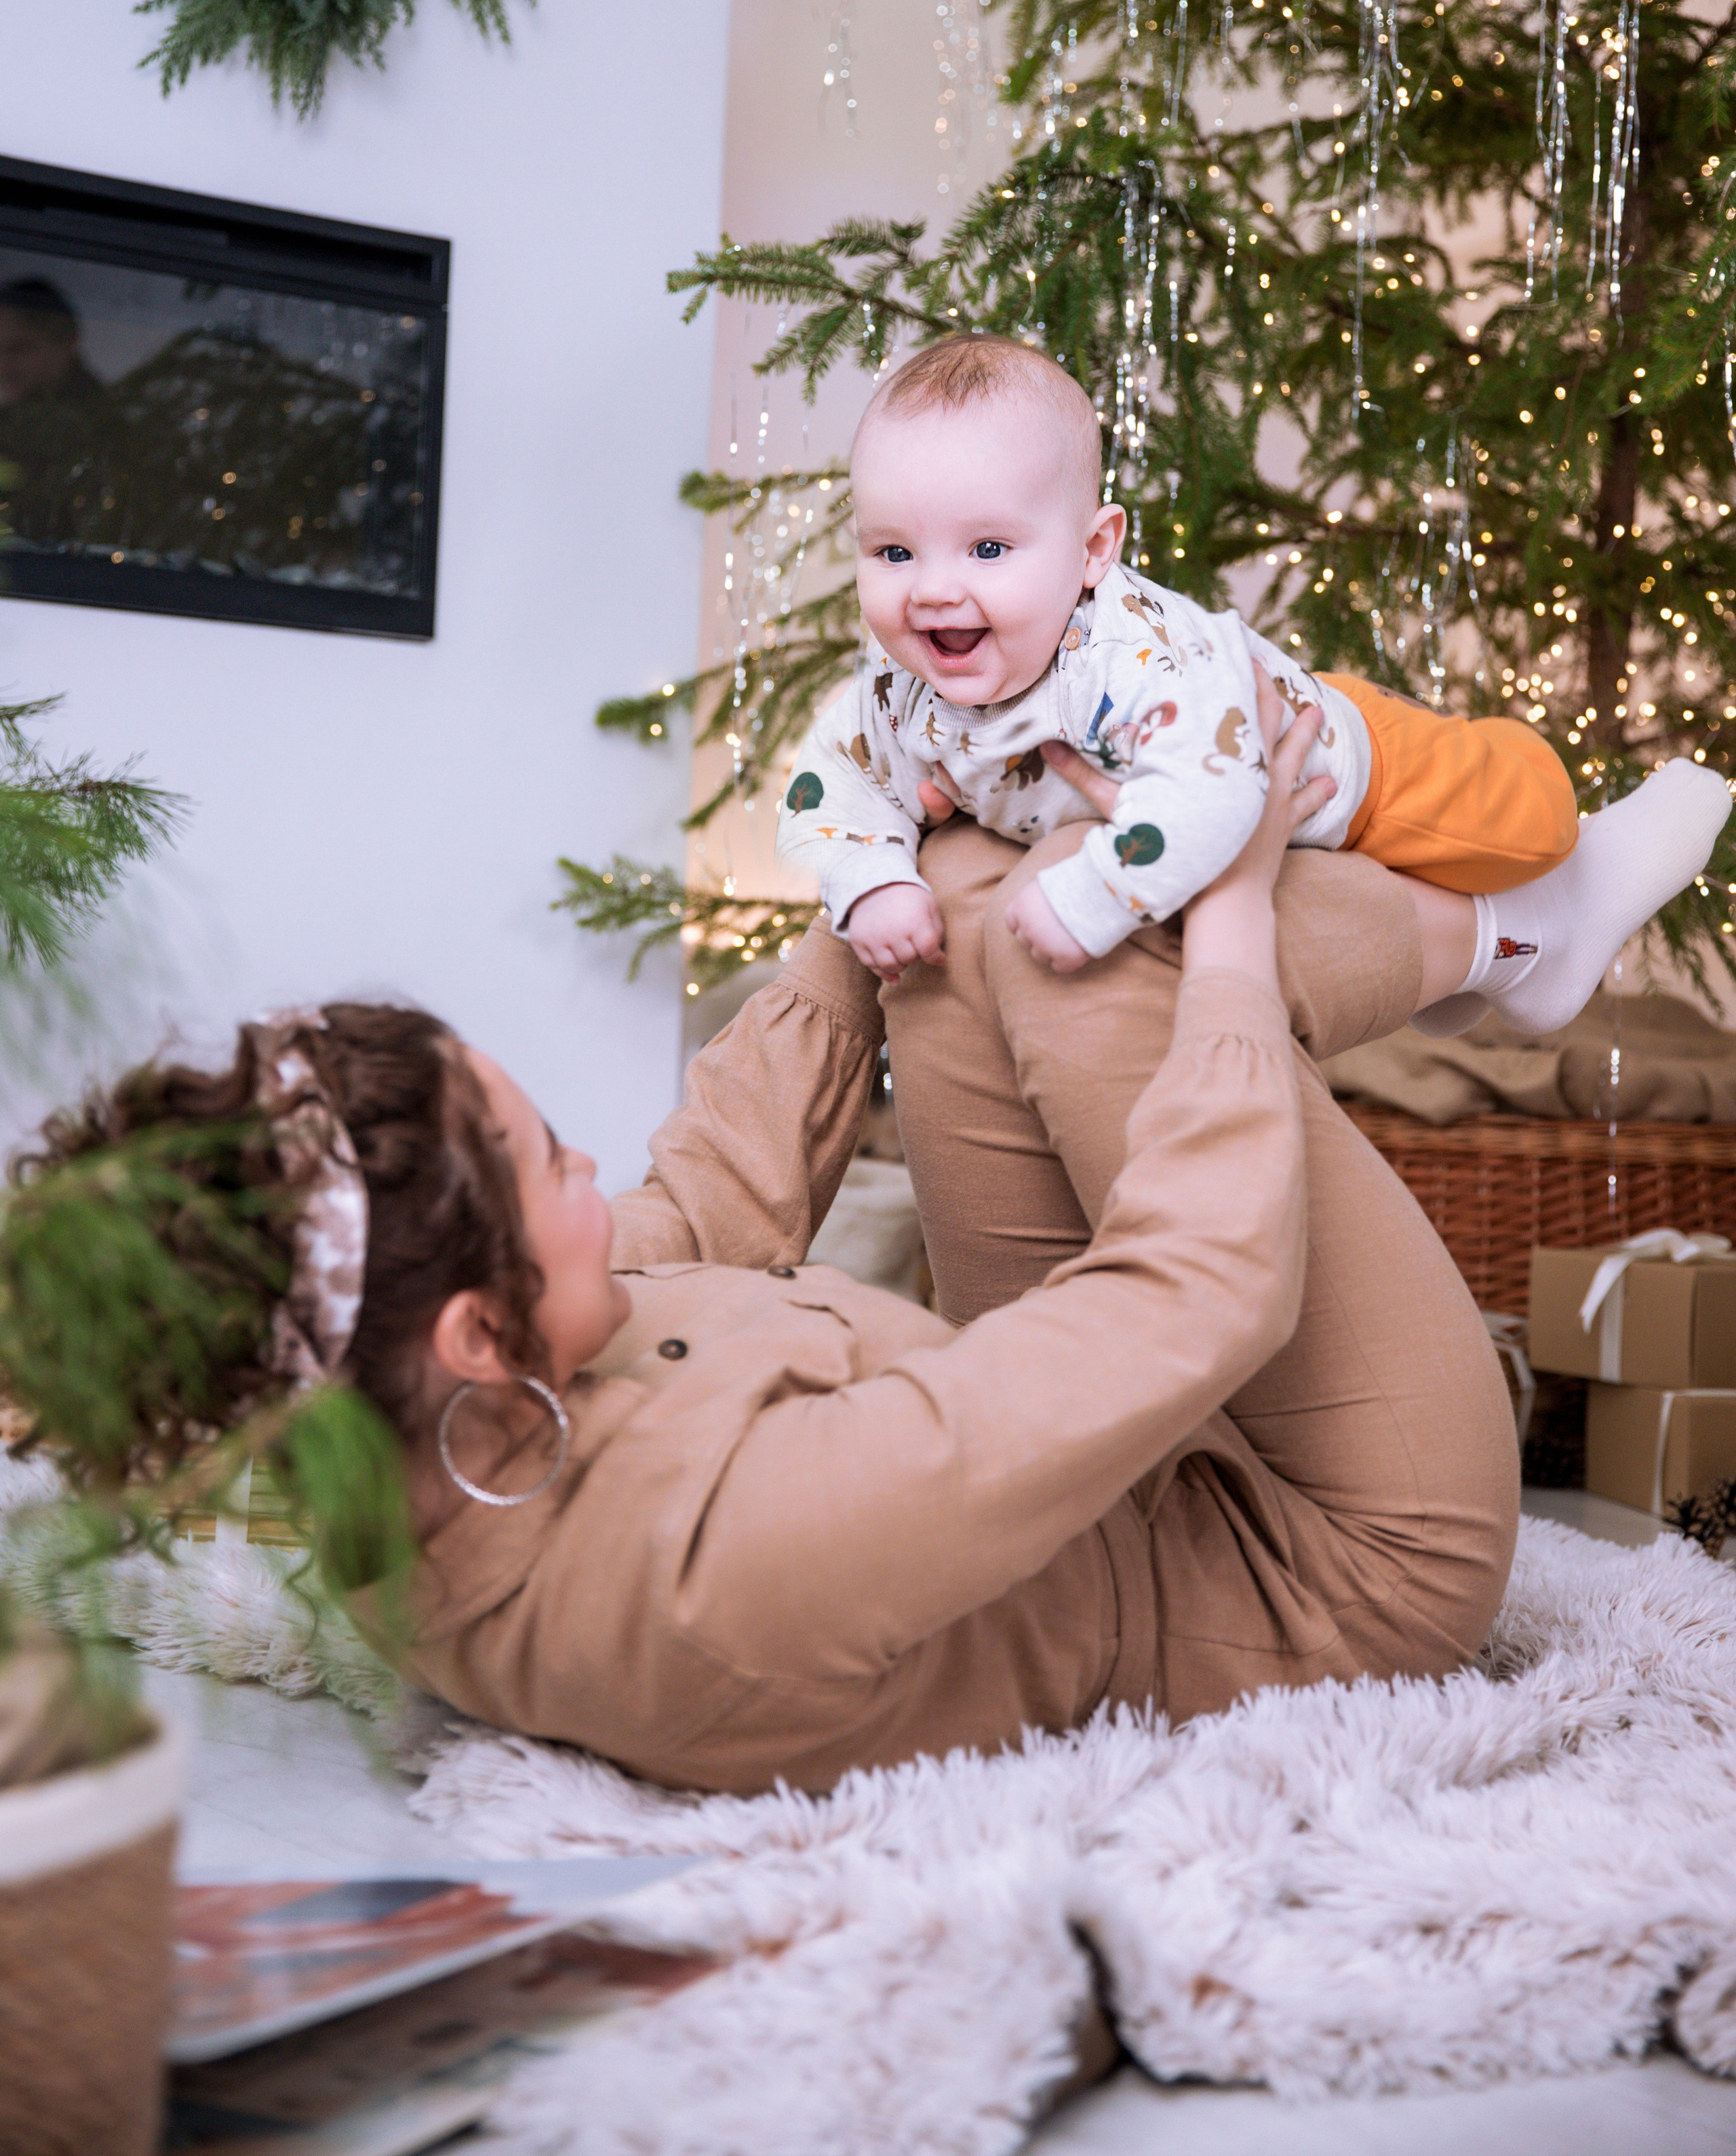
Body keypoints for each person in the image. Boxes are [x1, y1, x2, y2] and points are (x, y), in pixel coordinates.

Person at [10, 686, 1519, 1797]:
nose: (588, 1163)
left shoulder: (416, 1399)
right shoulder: (729, 1559)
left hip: (1135, 1461)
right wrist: (1235, 912)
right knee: (1113, 951)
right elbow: (1197, 1295)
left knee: (963, 898)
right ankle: (1518, 938)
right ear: (477, 1333)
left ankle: (1494, 943)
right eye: (547, 1160)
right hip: (1325, 1561)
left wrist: (872, 869)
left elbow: (702, 1201)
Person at [779, 334, 1730, 1039]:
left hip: (1343, 758)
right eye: (894, 552)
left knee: (1527, 818)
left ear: (1093, 551)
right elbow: (832, 785)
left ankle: (1580, 874)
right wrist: (872, 884)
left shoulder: (1123, 664)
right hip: (1255, 792)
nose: (934, 588)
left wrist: (1094, 897)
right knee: (1321, 905)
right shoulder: (897, 693)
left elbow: (1212, 793)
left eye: (988, 548)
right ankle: (1502, 958)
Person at [0, 275, 121, 548]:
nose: (4, 366)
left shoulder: (103, 433)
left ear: (66, 343)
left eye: (19, 349)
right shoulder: (11, 426)